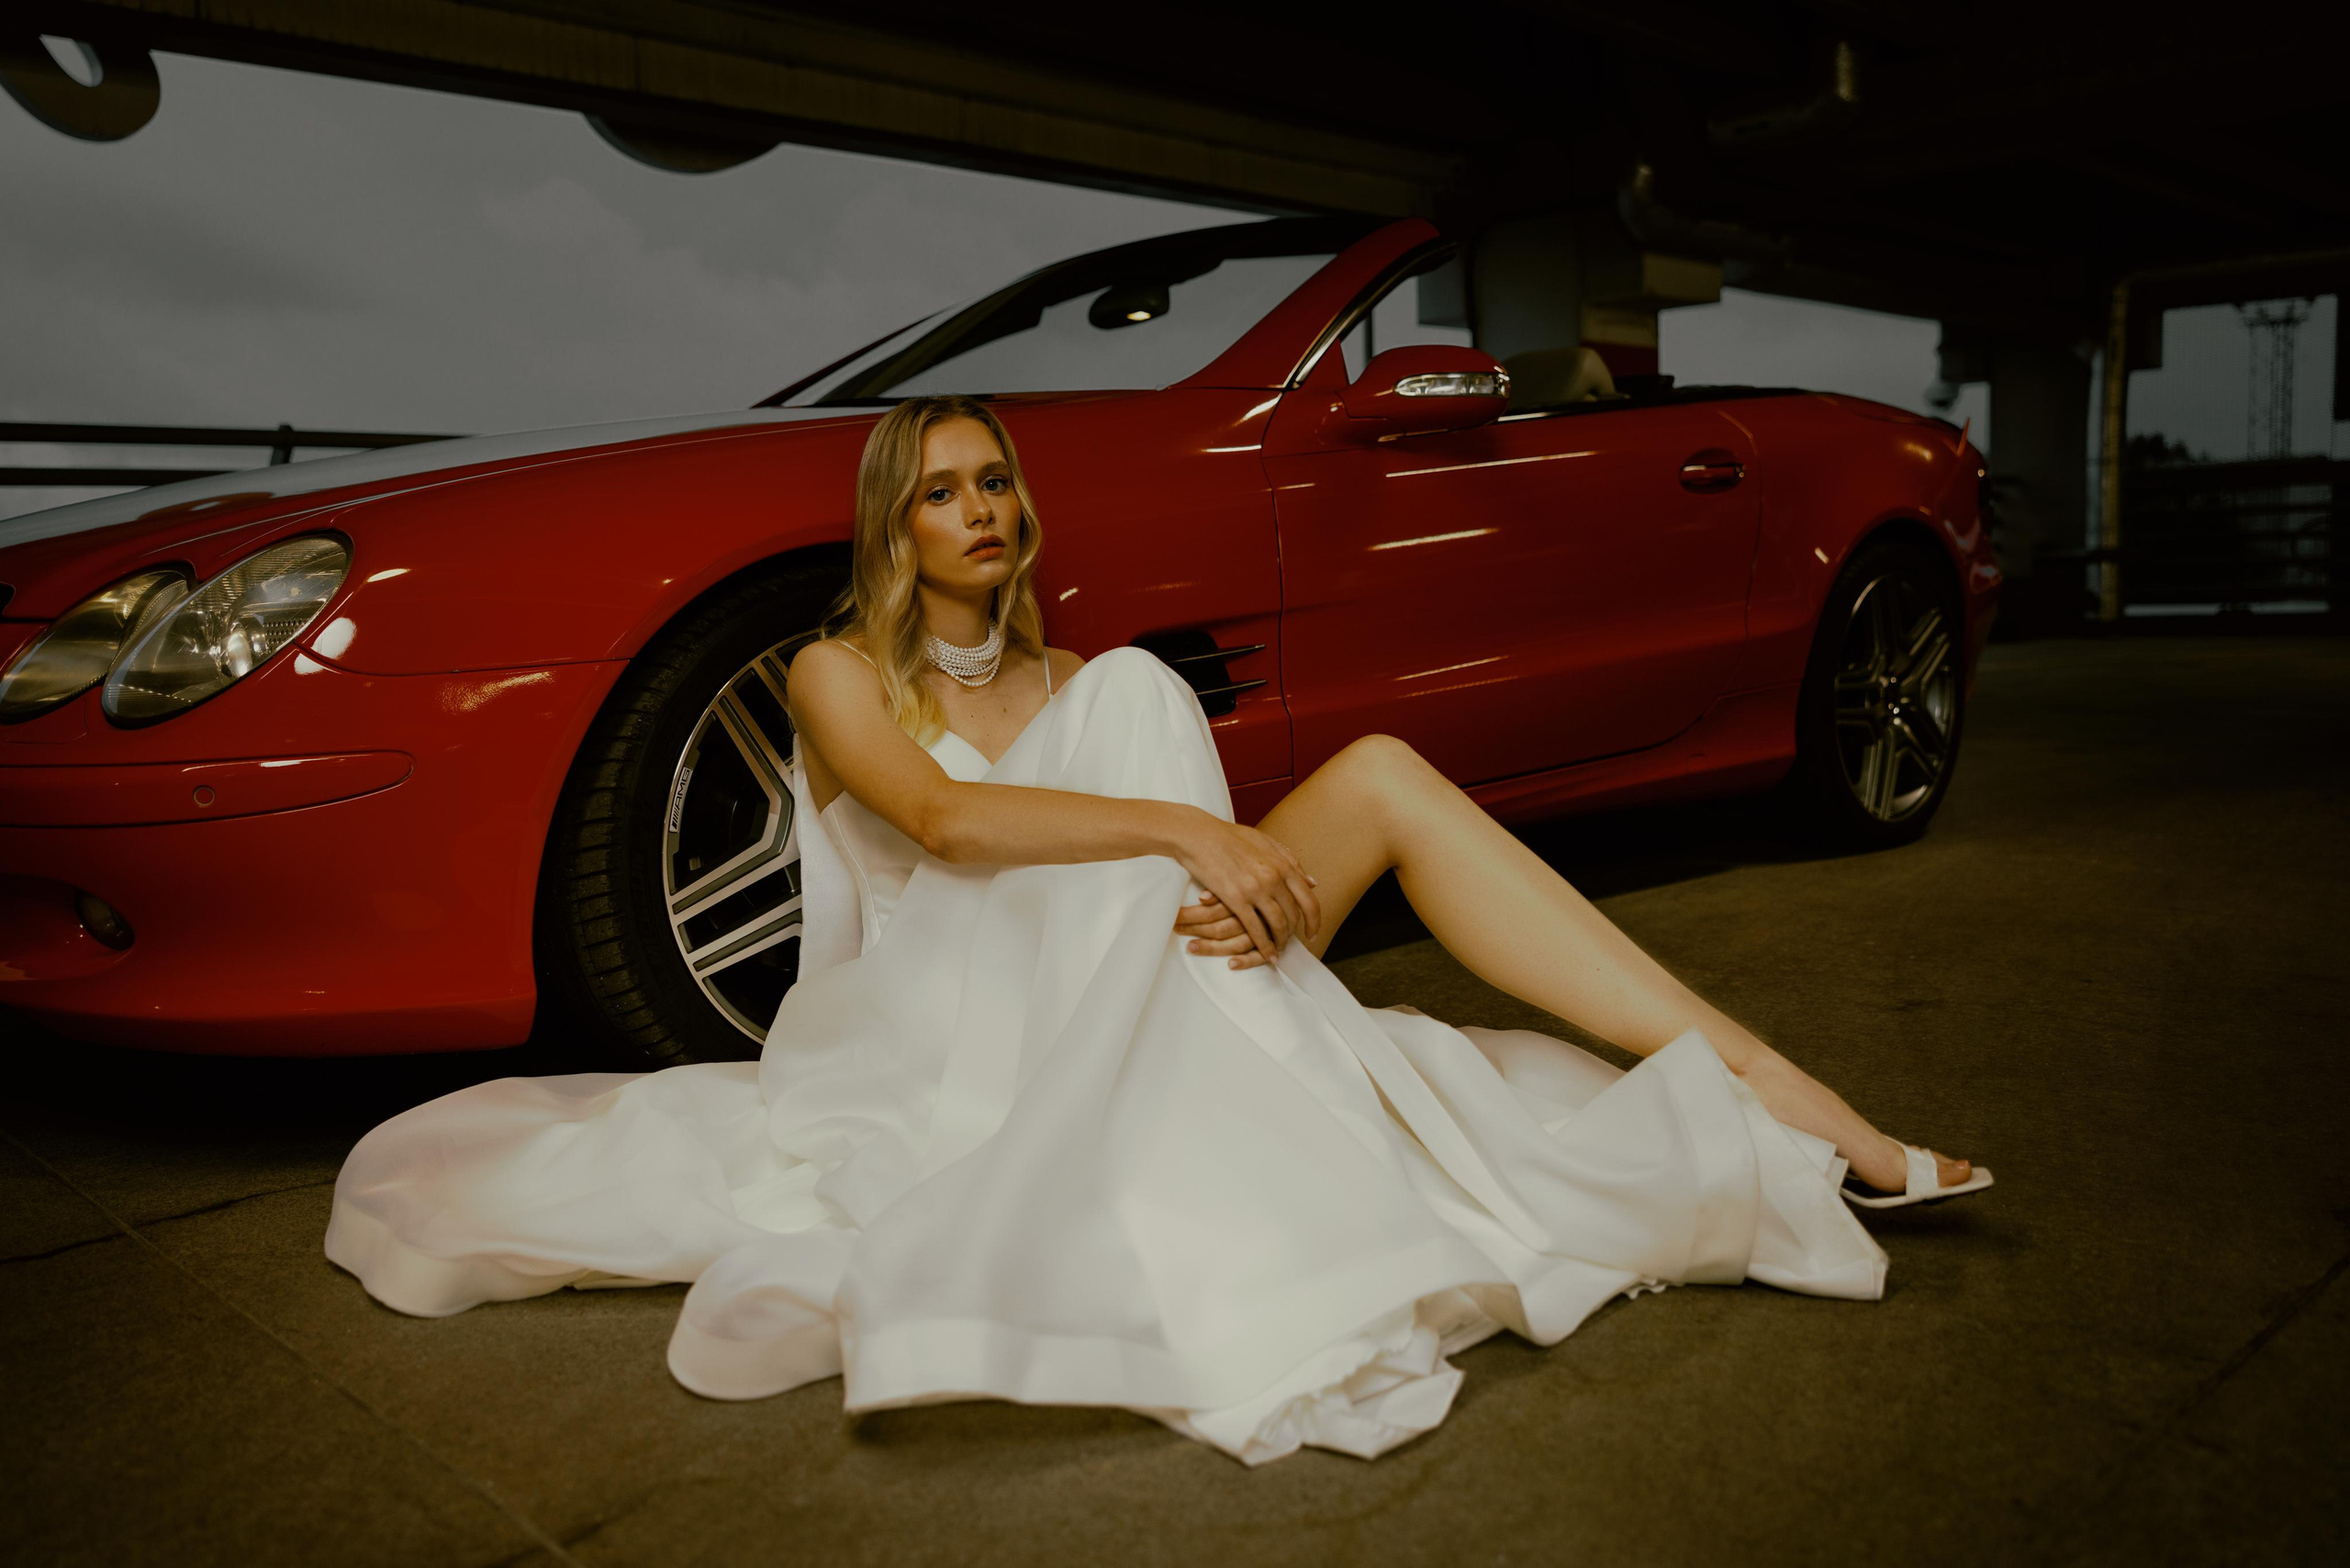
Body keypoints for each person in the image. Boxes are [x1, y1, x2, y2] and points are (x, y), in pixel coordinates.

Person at [328, 394, 1989, 1466]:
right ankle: (1271, 1094)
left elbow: (1151, 850)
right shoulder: (836, 672)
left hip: (1151, 961)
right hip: (963, 1025)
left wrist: (1194, 849)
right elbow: (947, 826)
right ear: (895, 530)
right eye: (940, 493)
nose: (979, 510)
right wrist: (1188, 830)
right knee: (1142, 697)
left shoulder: (1075, 675)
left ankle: (1777, 1086)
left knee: (1366, 767)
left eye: (995, 482)